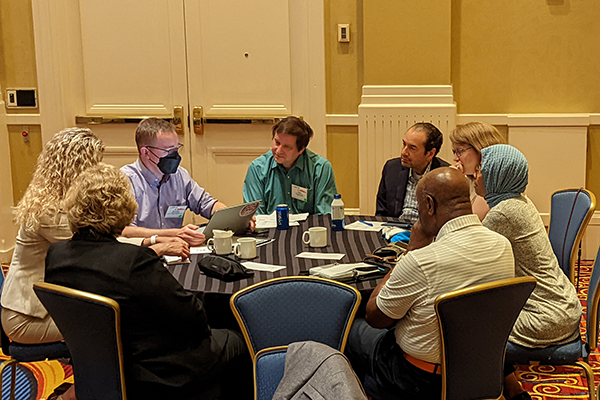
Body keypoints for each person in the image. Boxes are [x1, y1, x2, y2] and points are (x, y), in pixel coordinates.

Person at [45, 164, 252, 400]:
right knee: (242, 340)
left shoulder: (56, 255)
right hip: (159, 373)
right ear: (124, 209)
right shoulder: (132, 262)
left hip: (99, 366)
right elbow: (193, 319)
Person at [346, 167, 517, 400]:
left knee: (350, 325)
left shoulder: (420, 261)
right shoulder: (502, 246)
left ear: (429, 205)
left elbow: (376, 317)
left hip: (419, 379)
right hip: (477, 369)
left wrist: (411, 251)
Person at [475, 144, 582, 396]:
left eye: (481, 170)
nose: (475, 175)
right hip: (562, 306)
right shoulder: (518, 200)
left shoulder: (503, 212)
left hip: (546, 317)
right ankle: (513, 390)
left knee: (469, 325)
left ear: (496, 176)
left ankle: (494, 391)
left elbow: (470, 252)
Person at [1, 128, 105, 346]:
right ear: (79, 168)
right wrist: (151, 245)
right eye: (95, 164)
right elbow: (98, 247)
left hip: (49, 304)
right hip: (26, 318)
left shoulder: (55, 200)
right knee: (110, 323)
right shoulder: (49, 213)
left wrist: (153, 239)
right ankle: (98, 379)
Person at [120, 118, 227, 246]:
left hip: (176, 252)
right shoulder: (126, 181)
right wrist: (174, 234)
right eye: (168, 151)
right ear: (146, 152)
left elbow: (206, 203)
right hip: (143, 253)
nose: (175, 156)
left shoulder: (179, 175)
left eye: (176, 149)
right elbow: (125, 231)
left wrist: (230, 218)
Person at [243, 116, 337, 215]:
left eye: (287, 147)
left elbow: (324, 215)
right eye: (277, 142)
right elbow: (255, 216)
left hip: (307, 229)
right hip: (270, 229)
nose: (278, 151)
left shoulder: (320, 168)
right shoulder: (257, 168)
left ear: (301, 150)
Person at [375, 122, 449, 222]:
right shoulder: (392, 169)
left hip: (428, 234)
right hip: (395, 231)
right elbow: (381, 214)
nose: (404, 152)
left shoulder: (445, 176)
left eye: (412, 148)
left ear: (430, 154)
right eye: (404, 144)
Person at [449, 121, 506, 220]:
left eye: (459, 151)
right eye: (454, 152)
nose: (455, 159)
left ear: (480, 149)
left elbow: (468, 223)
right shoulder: (469, 178)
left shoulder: (493, 182)